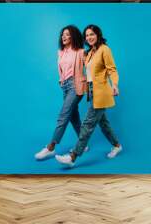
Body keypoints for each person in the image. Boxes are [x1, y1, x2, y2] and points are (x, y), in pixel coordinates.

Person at [55, 24, 122, 166]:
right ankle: (117, 145)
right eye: (87, 35)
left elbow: (112, 69)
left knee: (87, 124)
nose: (89, 37)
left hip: (102, 92)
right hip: (91, 91)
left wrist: (114, 84)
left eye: (92, 34)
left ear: (98, 34)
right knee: (103, 124)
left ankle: (73, 156)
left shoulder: (105, 49)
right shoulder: (90, 52)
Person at [35, 25, 87, 160]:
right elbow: (63, 70)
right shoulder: (61, 52)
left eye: (67, 34)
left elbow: (93, 67)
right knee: (74, 118)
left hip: (76, 86)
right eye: (63, 34)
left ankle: (50, 147)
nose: (64, 36)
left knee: (63, 116)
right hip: (65, 87)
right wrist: (61, 80)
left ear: (73, 36)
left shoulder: (81, 52)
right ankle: (84, 144)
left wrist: (92, 84)